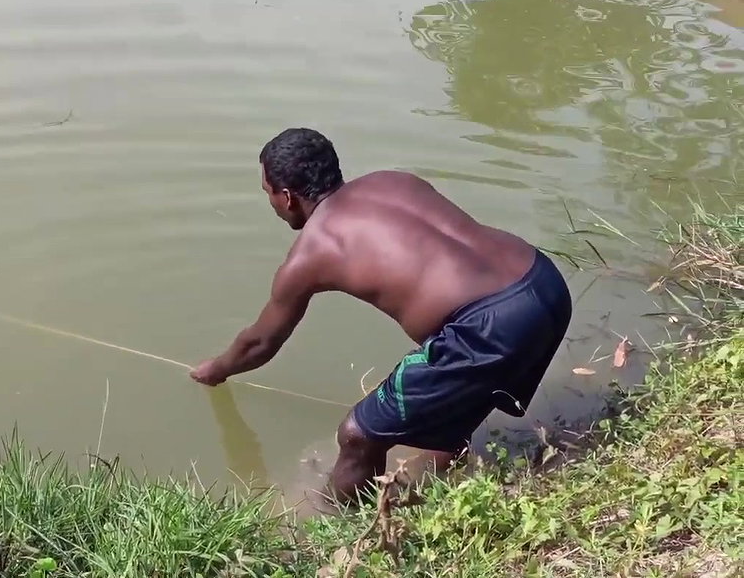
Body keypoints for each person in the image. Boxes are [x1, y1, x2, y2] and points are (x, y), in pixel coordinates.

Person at [189, 128, 572, 502]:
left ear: (287, 197)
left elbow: (260, 342)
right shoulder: (391, 180)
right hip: (544, 282)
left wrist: (217, 369)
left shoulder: (313, 250)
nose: (271, 202)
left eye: (267, 193)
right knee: (454, 388)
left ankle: (333, 528)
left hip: (490, 326)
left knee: (358, 434)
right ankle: (446, 475)